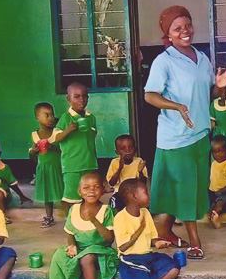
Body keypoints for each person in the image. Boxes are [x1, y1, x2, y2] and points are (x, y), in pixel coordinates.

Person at [144, 5, 226, 260]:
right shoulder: (164, 61)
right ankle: (195, 241)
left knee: (191, 189)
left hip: (199, 135)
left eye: (187, 25)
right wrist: (175, 105)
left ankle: (164, 232)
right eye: (177, 28)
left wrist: (220, 87)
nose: (184, 31)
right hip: (175, 138)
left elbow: (207, 94)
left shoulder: (202, 57)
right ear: (169, 34)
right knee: (184, 190)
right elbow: (150, 95)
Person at [104, 179, 179, 279]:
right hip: (131, 259)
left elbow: (151, 238)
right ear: (134, 197)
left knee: (173, 269)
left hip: (148, 257)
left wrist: (158, 243)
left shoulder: (145, 213)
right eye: (145, 192)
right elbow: (123, 247)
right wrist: (140, 229)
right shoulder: (121, 218)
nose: (149, 196)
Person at [49, 172, 117, 279]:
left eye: (96, 187)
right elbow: (70, 232)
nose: (91, 191)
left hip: (100, 249)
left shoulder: (106, 210)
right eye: (86, 188)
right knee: (58, 256)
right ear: (79, 192)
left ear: (103, 190)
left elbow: (109, 238)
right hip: (80, 248)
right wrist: (72, 245)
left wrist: (94, 220)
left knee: (87, 258)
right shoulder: (74, 209)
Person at [54, 82, 98, 211]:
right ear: (69, 99)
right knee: (72, 198)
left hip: (89, 164)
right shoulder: (66, 118)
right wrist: (68, 130)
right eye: (77, 96)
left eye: (84, 96)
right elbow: (56, 138)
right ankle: (72, 224)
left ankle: (86, 223)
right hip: (72, 165)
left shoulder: (91, 117)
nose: (81, 100)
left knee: (90, 197)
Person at [29, 102, 64, 228]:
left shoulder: (57, 132)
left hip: (58, 166)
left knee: (63, 192)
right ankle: (49, 217)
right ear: (37, 118)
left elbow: (63, 149)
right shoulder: (34, 135)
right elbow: (32, 156)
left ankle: (69, 215)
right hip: (44, 168)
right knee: (47, 194)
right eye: (46, 115)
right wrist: (33, 151)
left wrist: (52, 146)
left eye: (52, 115)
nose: (51, 118)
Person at [106, 134, 148, 212]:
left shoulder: (139, 161)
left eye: (130, 147)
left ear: (135, 150)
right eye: (123, 148)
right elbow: (112, 183)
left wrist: (140, 172)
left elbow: (143, 183)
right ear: (117, 152)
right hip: (120, 193)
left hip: (135, 194)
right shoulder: (114, 163)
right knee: (114, 203)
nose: (127, 151)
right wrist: (119, 168)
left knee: (143, 206)